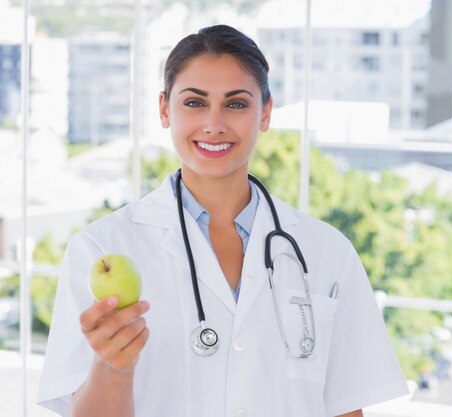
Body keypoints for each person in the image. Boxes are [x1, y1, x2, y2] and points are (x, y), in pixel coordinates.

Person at [37, 24, 408, 417]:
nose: (214, 123)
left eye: (236, 104)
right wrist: (114, 366)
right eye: (195, 103)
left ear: (265, 113)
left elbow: (345, 409)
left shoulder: (328, 253)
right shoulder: (100, 248)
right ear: (164, 109)